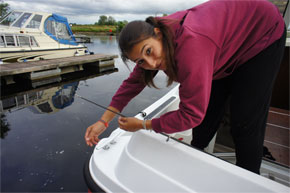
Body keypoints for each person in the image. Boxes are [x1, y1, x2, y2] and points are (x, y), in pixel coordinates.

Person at [85, 0, 286, 174]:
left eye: (149, 52)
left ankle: (249, 177)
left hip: (261, 32)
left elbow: (191, 115)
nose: (152, 64)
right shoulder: (150, 41)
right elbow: (131, 85)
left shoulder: (192, 48)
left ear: (158, 34)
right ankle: (196, 151)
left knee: (244, 123)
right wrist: (103, 121)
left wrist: (144, 125)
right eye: (140, 61)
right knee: (208, 114)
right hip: (222, 44)